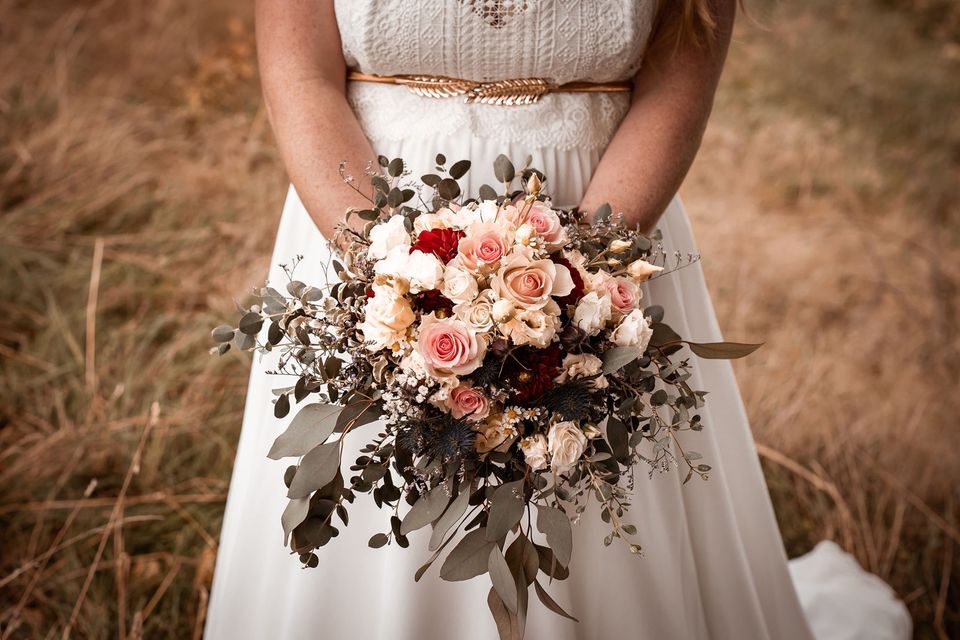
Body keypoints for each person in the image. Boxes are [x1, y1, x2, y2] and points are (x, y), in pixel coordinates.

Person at [205, 1, 912, 638]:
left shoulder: (590, 271)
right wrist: (393, 278)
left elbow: (678, 82)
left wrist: (578, 290)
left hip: (602, 229)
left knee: (590, 497)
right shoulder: (376, 258)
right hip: (362, 221)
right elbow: (301, 73)